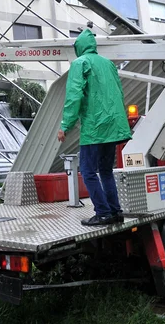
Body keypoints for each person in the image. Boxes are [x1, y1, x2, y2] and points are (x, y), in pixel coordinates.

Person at [57, 29, 132, 226]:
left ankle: (103, 213)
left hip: (94, 127)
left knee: (88, 171)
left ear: (79, 47)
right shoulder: (108, 64)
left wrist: (65, 125)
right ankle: (116, 212)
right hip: (113, 126)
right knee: (106, 171)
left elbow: (74, 96)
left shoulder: (80, 63)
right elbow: (118, 93)